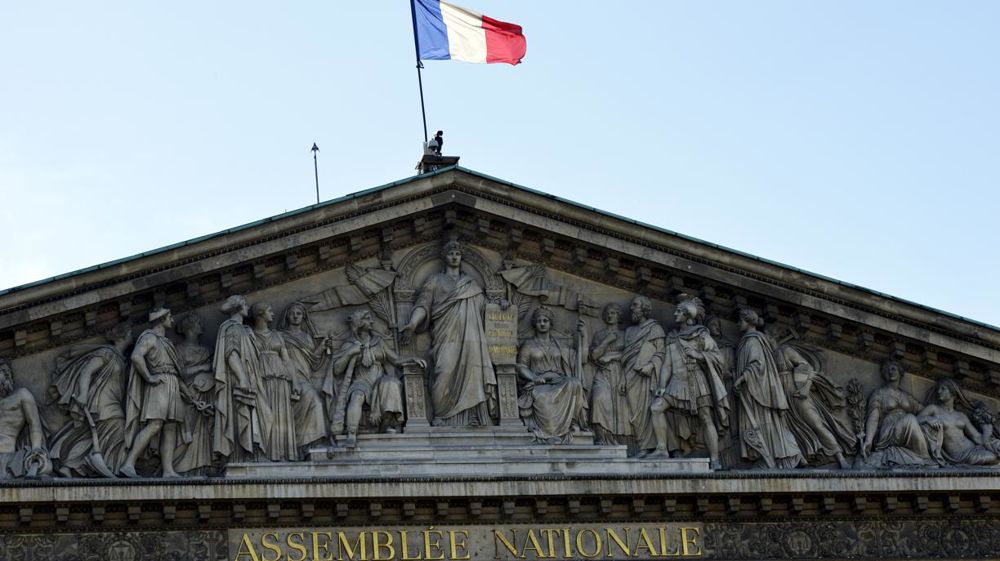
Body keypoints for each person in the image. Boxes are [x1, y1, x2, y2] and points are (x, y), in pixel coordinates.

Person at [400, 241, 497, 426]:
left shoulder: (470, 283)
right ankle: (441, 416)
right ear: (445, 256)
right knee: (443, 370)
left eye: (458, 253)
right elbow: (423, 304)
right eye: (451, 253)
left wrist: (502, 307)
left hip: (472, 339)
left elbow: (486, 310)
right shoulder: (435, 280)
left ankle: (472, 417)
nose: (455, 256)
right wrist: (412, 324)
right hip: (446, 336)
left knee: (474, 373)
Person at [650, 295, 730, 469]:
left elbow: (718, 358)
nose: (675, 314)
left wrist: (698, 355)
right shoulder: (672, 337)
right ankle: (662, 448)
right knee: (656, 408)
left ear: (687, 315)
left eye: (679, 311)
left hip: (697, 382)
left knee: (706, 417)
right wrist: (662, 387)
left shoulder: (701, 334)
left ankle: (715, 459)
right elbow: (667, 365)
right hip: (676, 384)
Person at [48, 322, 133, 477]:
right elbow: (86, 371)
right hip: (102, 402)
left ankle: (68, 465)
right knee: (117, 429)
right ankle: (107, 467)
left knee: (92, 436)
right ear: (123, 336)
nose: (132, 337)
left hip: (113, 401)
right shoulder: (107, 353)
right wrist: (82, 394)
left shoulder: (121, 358)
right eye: (130, 334)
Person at [330, 309, 425, 448]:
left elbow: (396, 359)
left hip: (379, 380)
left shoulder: (378, 342)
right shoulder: (349, 344)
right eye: (368, 319)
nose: (372, 321)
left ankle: (386, 423)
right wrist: (350, 353)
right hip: (361, 381)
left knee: (392, 383)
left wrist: (413, 358)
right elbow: (337, 369)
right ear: (360, 323)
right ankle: (351, 433)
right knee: (357, 396)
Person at [732, 308, 802, 469]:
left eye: (740, 321)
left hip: (758, 392)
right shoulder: (748, 341)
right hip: (752, 391)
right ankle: (766, 457)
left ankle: (777, 457)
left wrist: (741, 379)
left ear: (748, 322)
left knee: (765, 422)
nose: (737, 324)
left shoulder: (753, 340)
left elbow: (757, 365)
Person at [774, 331, 856, 469]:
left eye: (768, 335)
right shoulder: (766, 354)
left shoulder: (785, 350)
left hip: (797, 393)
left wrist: (805, 389)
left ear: (774, 336)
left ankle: (841, 459)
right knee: (785, 429)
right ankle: (801, 460)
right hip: (780, 396)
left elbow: (807, 367)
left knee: (816, 424)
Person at [121, 308, 186, 478]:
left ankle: (168, 470)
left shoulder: (166, 342)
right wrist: (149, 377)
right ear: (161, 319)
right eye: (170, 316)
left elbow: (175, 373)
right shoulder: (150, 337)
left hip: (171, 383)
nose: (172, 320)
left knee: (170, 427)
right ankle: (128, 464)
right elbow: (136, 356)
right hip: (159, 384)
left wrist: (189, 394)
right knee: (155, 424)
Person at [516, 308, 588, 444]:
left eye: (545, 321)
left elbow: (581, 360)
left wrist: (584, 336)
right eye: (539, 321)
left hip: (559, 381)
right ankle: (550, 433)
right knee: (543, 397)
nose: (542, 324)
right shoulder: (529, 345)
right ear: (534, 324)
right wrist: (534, 378)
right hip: (539, 383)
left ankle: (570, 425)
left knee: (575, 383)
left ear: (550, 323)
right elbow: (521, 367)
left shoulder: (559, 345)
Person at [213, 295, 271, 463]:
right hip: (241, 380)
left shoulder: (244, 329)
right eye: (244, 304)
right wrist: (243, 379)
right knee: (245, 414)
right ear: (238, 307)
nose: (247, 307)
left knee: (263, 414)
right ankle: (246, 455)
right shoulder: (232, 327)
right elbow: (231, 353)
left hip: (252, 378)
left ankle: (255, 452)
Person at [859, 359, 942, 468]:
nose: (890, 372)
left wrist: (931, 418)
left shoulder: (906, 396)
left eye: (893, 369)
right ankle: (925, 458)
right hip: (889, 430)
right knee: (910, 419)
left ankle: (923, 456)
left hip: (906, 427)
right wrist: (868, 441)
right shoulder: (879, 393)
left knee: (913, 420)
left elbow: (923, 410)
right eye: (887, 370)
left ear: (900, 372)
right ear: (884, 374)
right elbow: (873, 418)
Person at [276, 302, 330, 452]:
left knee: (314, 403)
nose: (295, 316)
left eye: (299, 313)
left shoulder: (307, 336)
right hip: (288, 377)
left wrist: (322, 347)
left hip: (305, 377)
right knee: (316, 402)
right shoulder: (281, 336)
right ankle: (313, 442)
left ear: (303, 317)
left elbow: (312, 360)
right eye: (292, 313)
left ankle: (306, 444)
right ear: (287, 315)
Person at [251, 303, 298, 461]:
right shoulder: (249, 335)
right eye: (269, 310)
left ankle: (282, 455)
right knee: (265, 416)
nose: (273, 313)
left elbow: (287, 360)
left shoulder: (277, 335)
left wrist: (295, 383)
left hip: (281, 380)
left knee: (281, 417)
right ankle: (264, 454)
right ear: (260, 314)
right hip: (261, 380)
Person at [917, 379, 1000, 466]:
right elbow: (917, 419)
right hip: (958, 456)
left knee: (996, 449)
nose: (939, 391)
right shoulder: (933, 409)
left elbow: (976, 437)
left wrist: (987, 431)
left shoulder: (961, 415)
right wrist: (927, 419)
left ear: (953, 393)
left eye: (943, 389)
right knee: (993, 458)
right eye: (938, 389)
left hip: (973, 449)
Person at [172, 314, 216, 475]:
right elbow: (177, 373)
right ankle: (179, 468)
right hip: (185, 395)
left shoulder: (208, 351)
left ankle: (203, 466)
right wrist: (203, 368)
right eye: (198, 323)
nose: (202, 326)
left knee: (203, 431)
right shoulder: (178, 350)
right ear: (189, 328)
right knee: (185, 432)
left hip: (205, 394)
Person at [620, 296, 664, 456]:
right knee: (634, 412)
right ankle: (643, 445)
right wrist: (622, 379)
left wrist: (651, 366)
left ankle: (650, 447)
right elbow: (624, 357)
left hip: (648, 376)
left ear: (645, 308)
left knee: (647, 409)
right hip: (630, 374)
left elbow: (661, 352)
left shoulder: (655, 328)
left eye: (635, 305)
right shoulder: (629, 331)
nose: (632, 308)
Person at [588, 303, 632, 446]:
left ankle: (619, 441)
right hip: (603, 373)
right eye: (608, 312)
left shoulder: (626, 335)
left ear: (619, 316)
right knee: (599, 398)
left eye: (613, 313)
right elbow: (594, 355)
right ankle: (601, 437)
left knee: (620, 407)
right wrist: (607, 341)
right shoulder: (599, 335)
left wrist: (612, 357)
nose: (610, 315)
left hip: (621, 373)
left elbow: (631, 356)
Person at [0, 358, 49, 479]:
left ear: (5, 373)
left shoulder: (21, 395)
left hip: (6, 458)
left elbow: (34, 424)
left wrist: (36, 448)